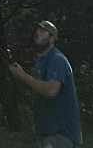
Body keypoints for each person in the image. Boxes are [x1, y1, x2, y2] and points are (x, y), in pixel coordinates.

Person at [7, 19, 82, 148]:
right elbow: (37, 89)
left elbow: (51, 91)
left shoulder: (57, 60)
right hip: (46, 134)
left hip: (62, 135)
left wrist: (23, 76)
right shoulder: (41, 62)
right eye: (37, 30)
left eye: (43, 31)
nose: (38, 33)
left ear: (52, 39)